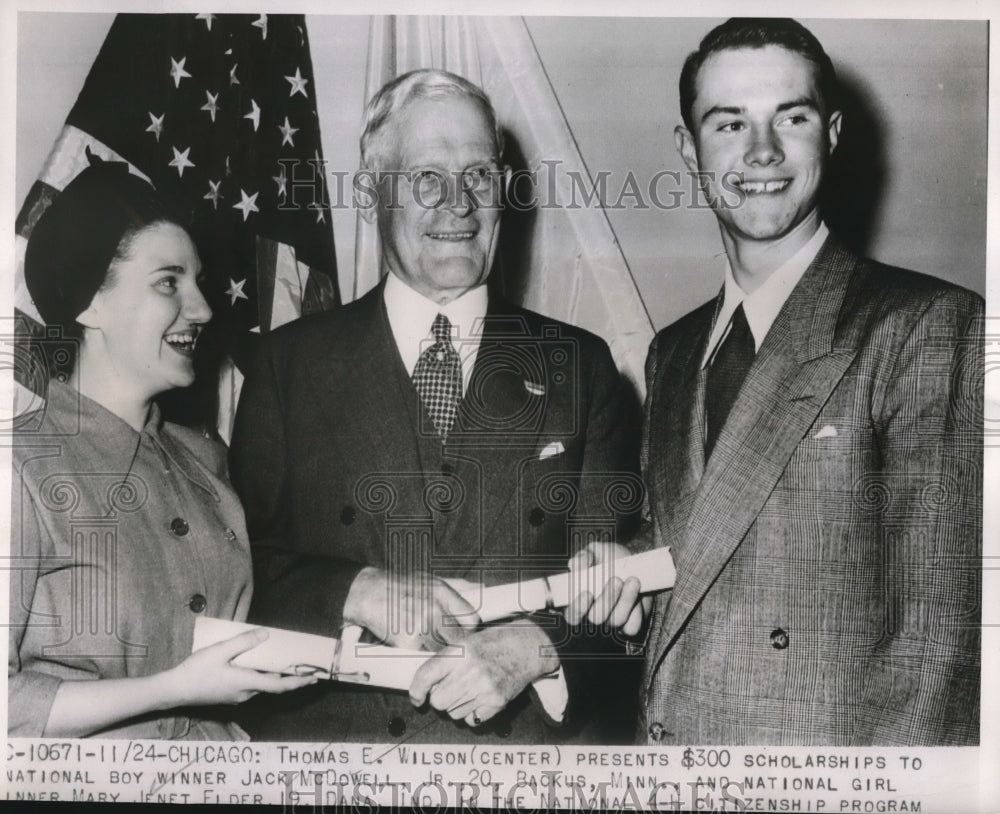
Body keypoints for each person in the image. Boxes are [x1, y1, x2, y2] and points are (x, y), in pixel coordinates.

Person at [574, 17, 982, 745]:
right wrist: (628, 568)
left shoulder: (928, 327)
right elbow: (702, 552)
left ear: (830, 132)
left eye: (788, 118)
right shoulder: (674, 351)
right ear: (688, 148)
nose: (760, 152)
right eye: (728, 123)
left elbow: (942, 644)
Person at [229, 69, 641, 743]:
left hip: (525, 769)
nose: (460, 205)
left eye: (479, 176)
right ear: (369, 195)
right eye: (426, 178)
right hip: (340, 767)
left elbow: (622, 599)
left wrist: (537, 646)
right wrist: (352, 591)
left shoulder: (582, 366)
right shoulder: (286, 366)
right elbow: (234, 582)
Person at [9, 159, 315, 739]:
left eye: (196, 282)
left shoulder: (207, 465)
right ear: (87, 303)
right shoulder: (19, 469)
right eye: (168, 282)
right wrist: (174, 690)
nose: (201, 309)